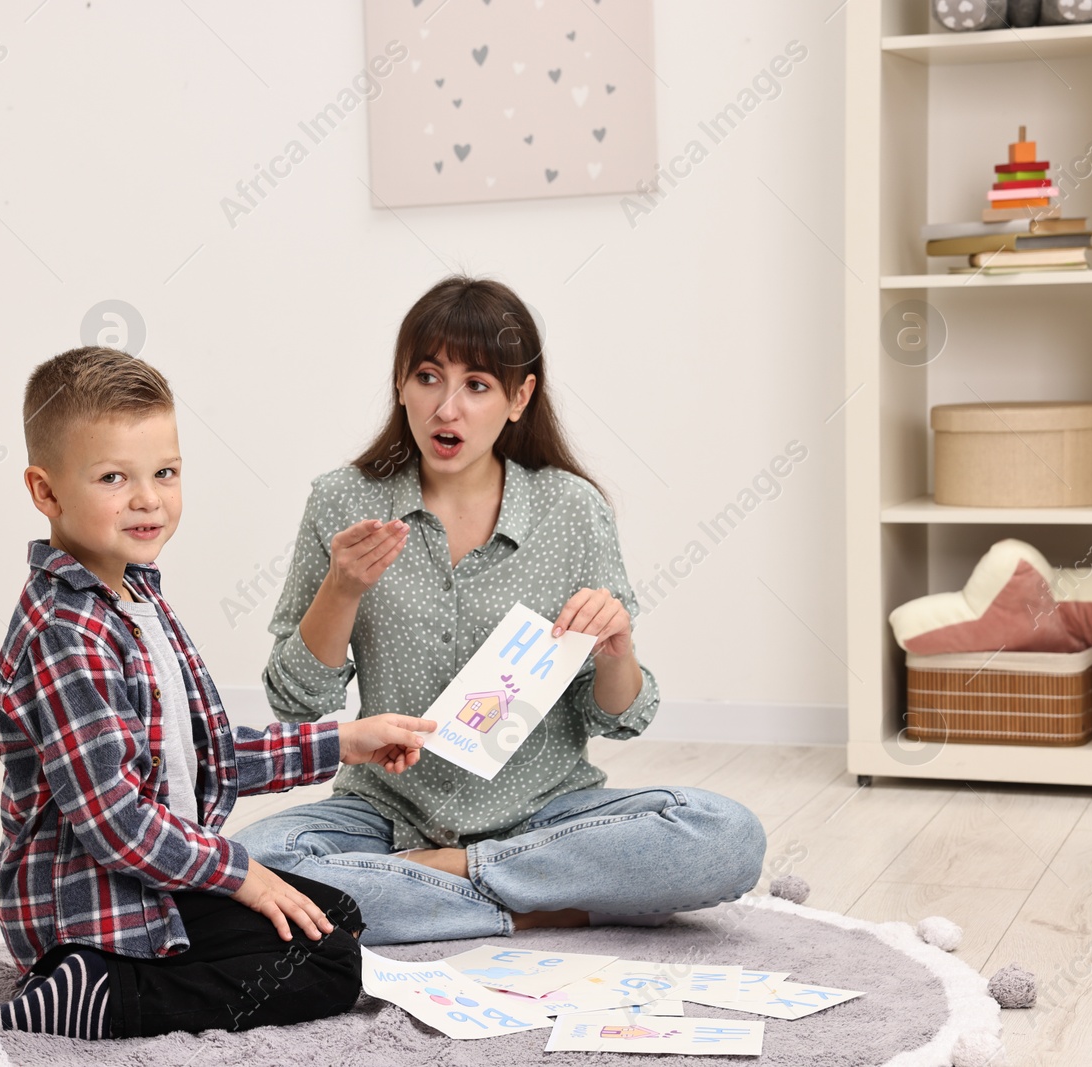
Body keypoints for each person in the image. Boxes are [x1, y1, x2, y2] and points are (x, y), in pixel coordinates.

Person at [236, 276, 767, 945]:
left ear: (520, 398)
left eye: (477, 385)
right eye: (427, 377)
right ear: (400, 382)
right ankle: (540, 906)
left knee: (728, 836)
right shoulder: (342, 501)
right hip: (385, 815)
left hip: (547, 813)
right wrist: (341, 589)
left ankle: (441, 881)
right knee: (255, 864)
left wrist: (617, 649)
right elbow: (297, 701)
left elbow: (618, 715)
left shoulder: (571, 509)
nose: (446, 408)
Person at [0, 346, 436, 1039]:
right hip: (93, 902)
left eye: (165, 472)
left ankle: (103, 976)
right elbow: (117, 818)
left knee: (335, 918)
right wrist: (241, 874)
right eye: (114, 477)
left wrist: (345, 742)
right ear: (47, 492)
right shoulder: (67, 632)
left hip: (155, 877)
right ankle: (99, 990)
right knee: (330, 963)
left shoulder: (136, 594)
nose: (148, 497)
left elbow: (202, 754)